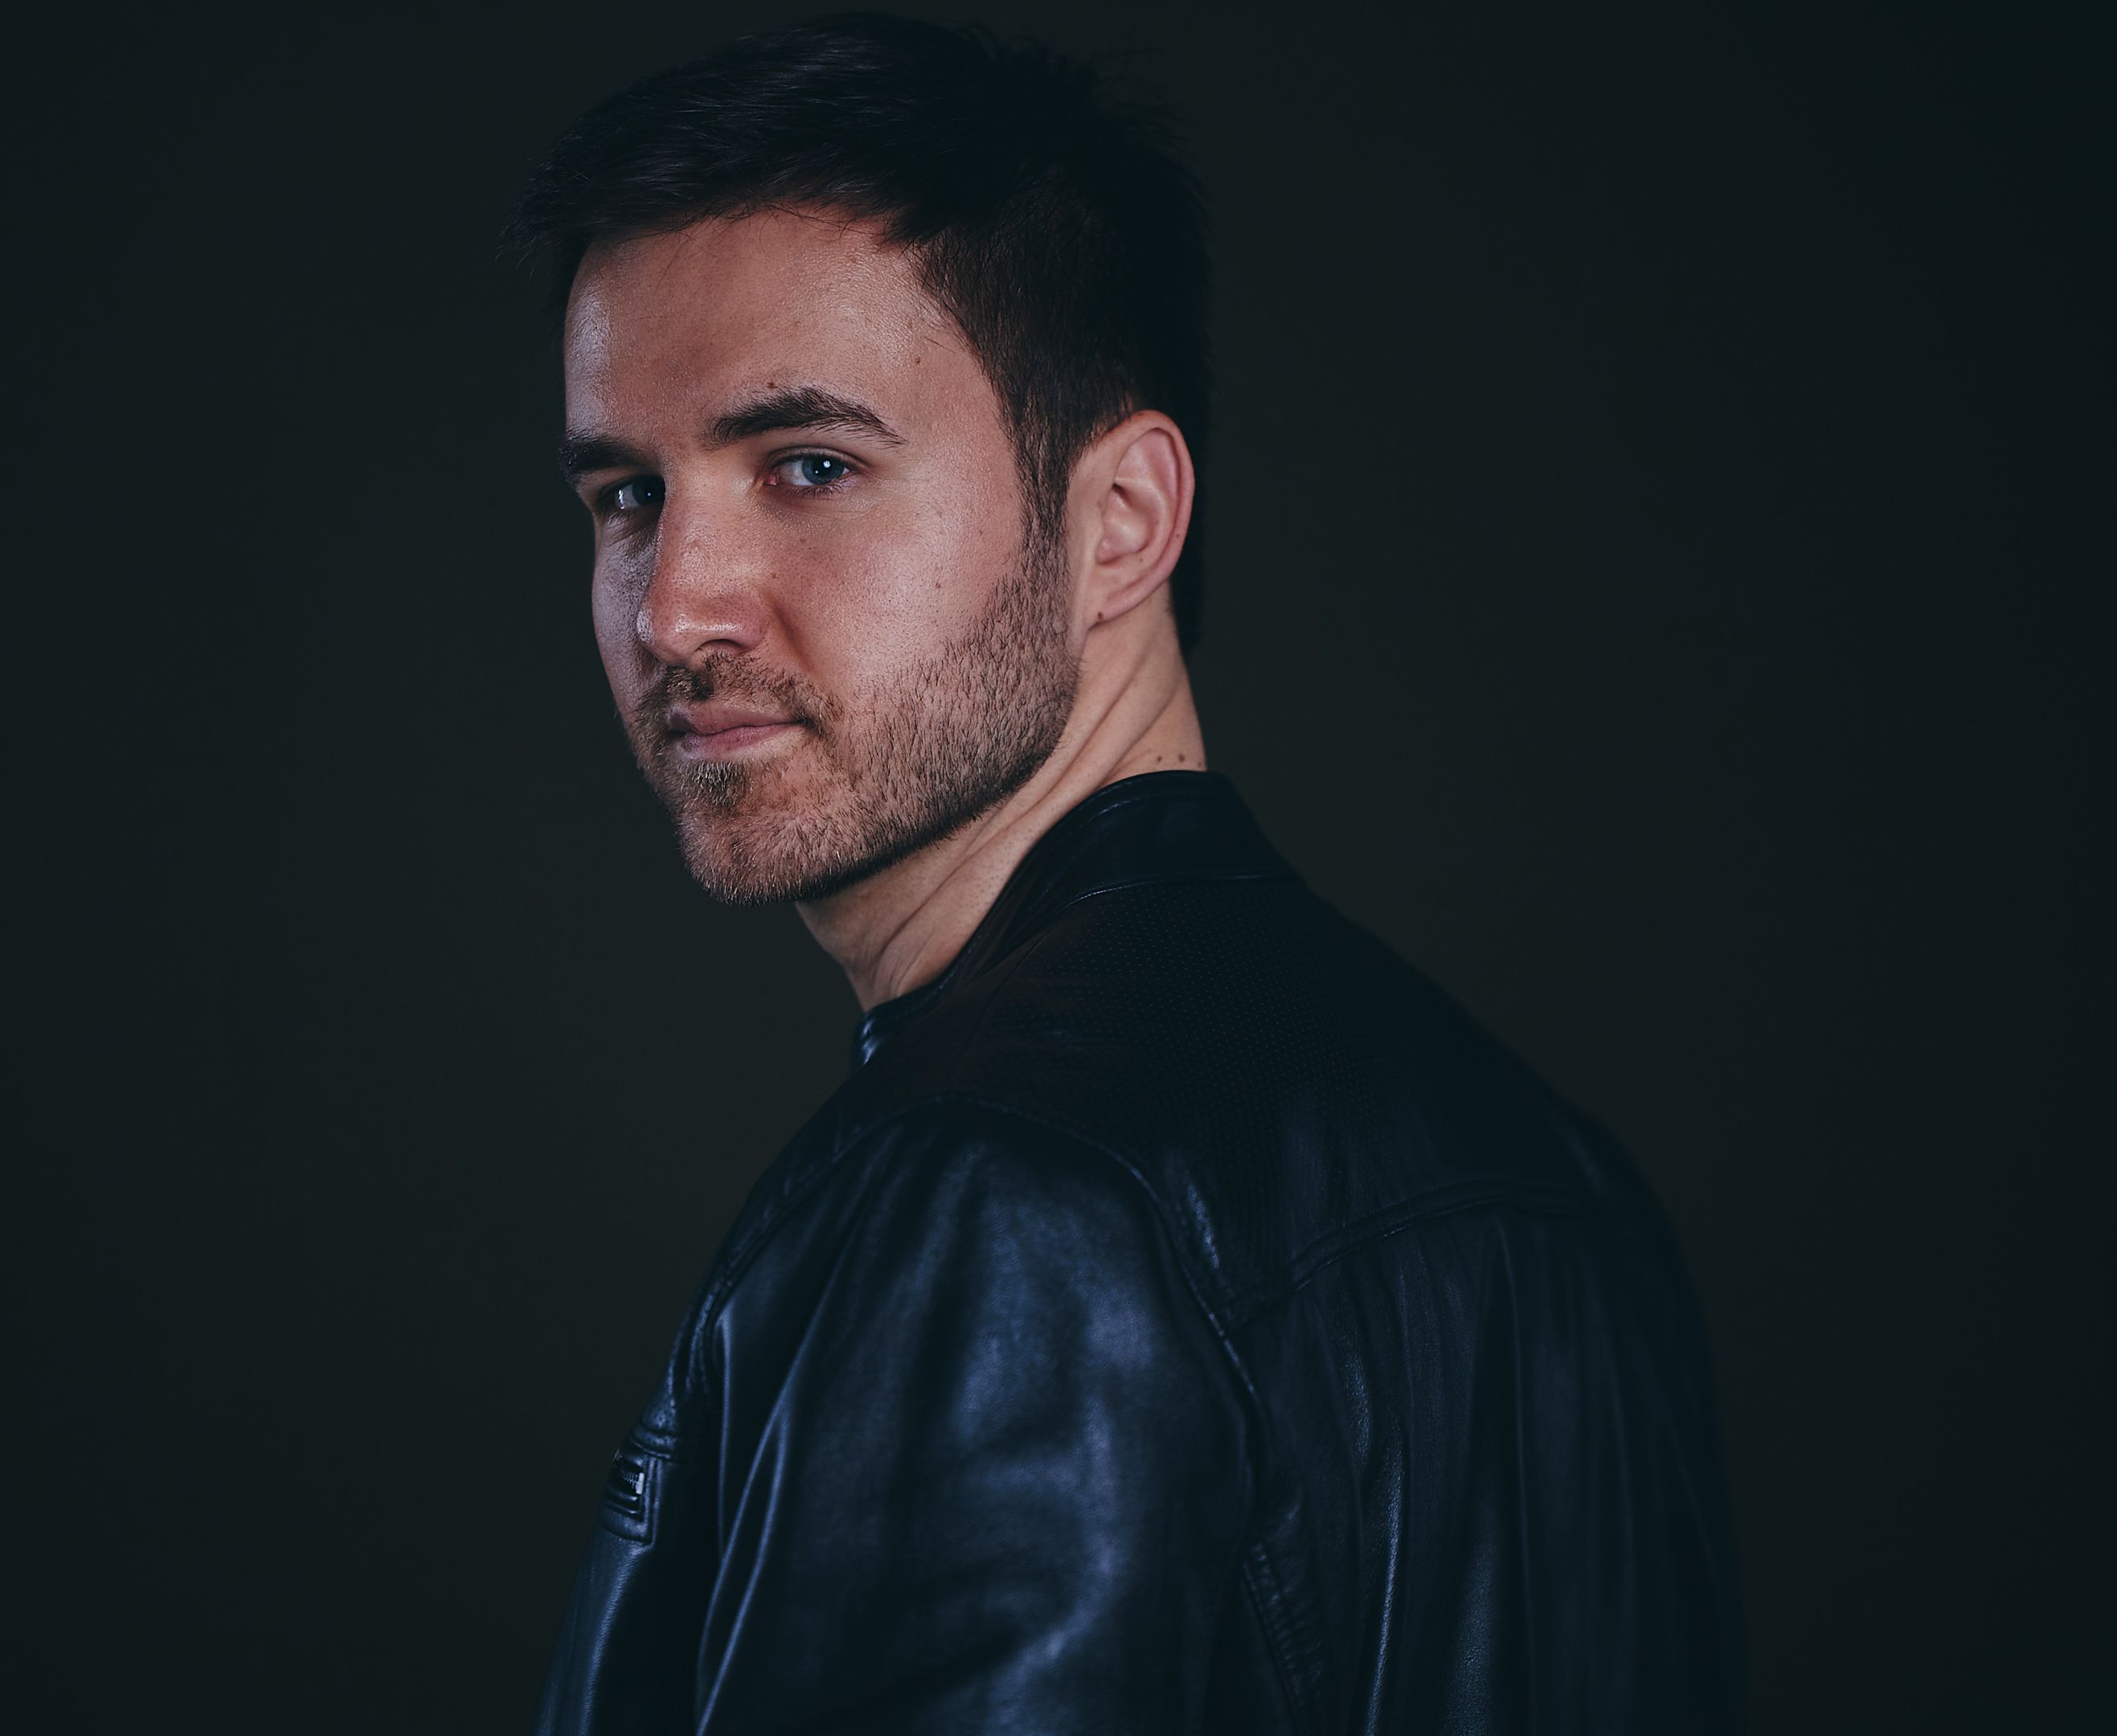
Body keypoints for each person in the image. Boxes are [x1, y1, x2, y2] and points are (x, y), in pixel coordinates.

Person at [509, 15, 1742, 1732]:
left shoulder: (1003, 1198)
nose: (673, 607)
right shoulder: (1559, 1180)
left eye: (809, 467)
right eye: (628, 496)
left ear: (1119, 521)